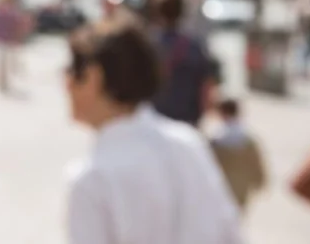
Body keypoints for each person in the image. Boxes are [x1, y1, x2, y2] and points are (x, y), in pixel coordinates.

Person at [64, 18, 242, 244]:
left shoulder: (91, 178)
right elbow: (230, 232)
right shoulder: (188, 142)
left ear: (93, 76)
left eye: (71, 70)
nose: (66, 82)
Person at [149, 0, 219, 127]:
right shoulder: (194, 45)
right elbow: (206, 85)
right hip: (188, 120)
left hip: (155, 120)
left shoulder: (149, 45)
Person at [208, 99, 267, 214]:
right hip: (241, 185)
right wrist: (260, 180)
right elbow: (256, 161)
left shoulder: (216, 137)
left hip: (222, 185)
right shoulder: (248, 138)